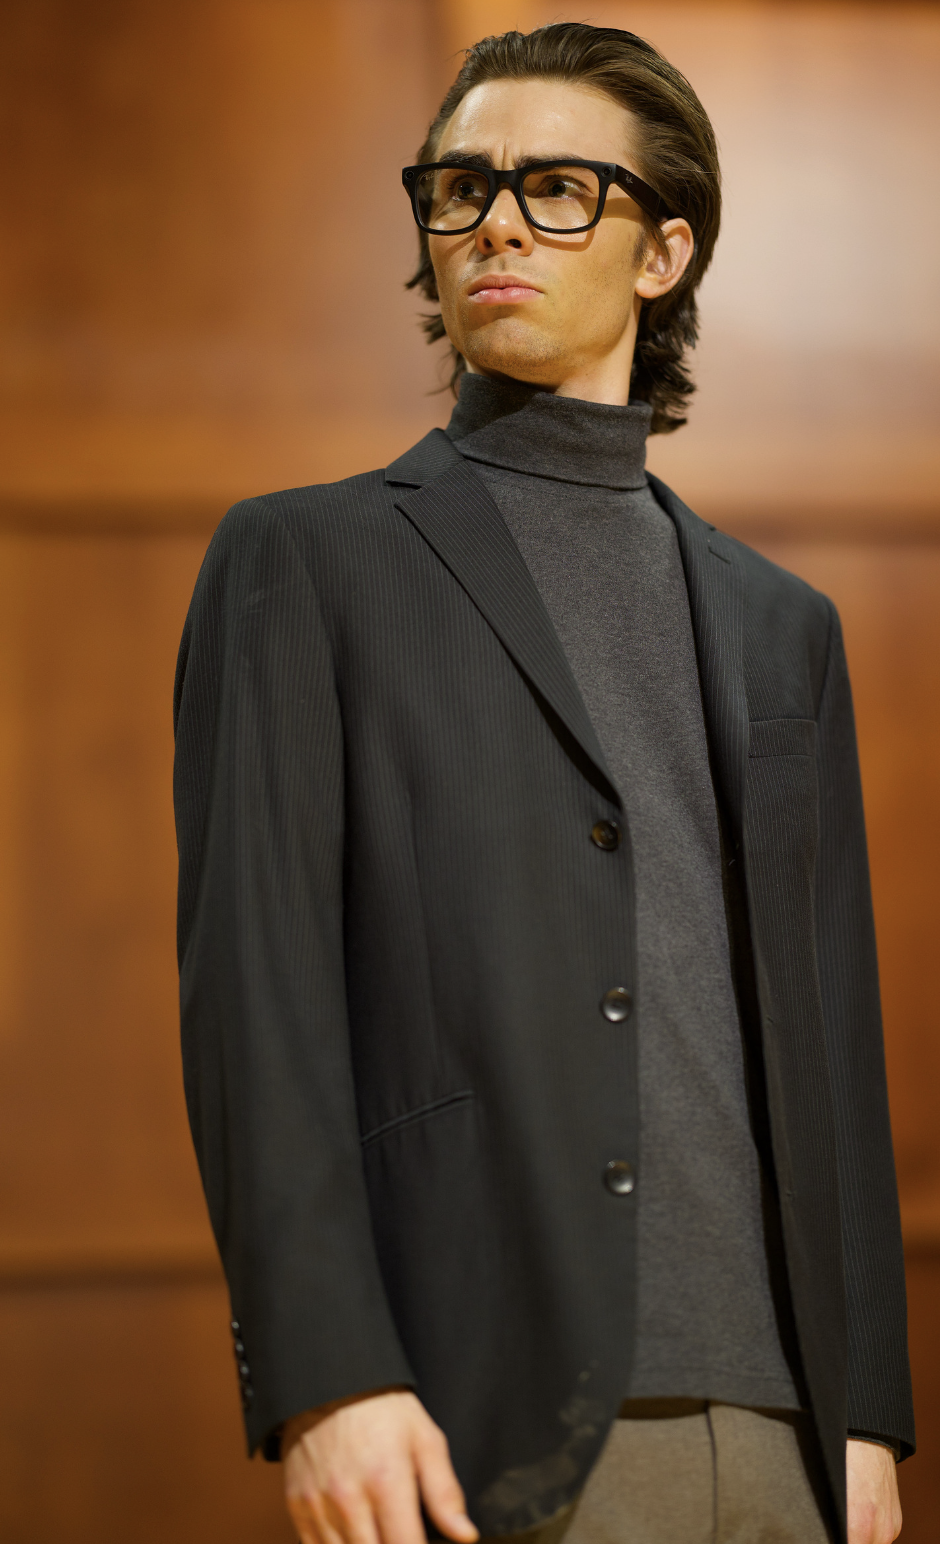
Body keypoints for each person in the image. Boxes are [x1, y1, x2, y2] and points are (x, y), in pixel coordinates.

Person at [173, 23, 913, 1544]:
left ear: (666, 254)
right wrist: (327, 1375)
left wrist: (870, 1413)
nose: (497, 223)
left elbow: (833, 1043)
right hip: (481, 1420)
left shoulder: (784, 624)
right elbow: (258, 993)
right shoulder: (302, 560)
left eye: (560, 189)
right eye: (462, 187)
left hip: (790, 1433)